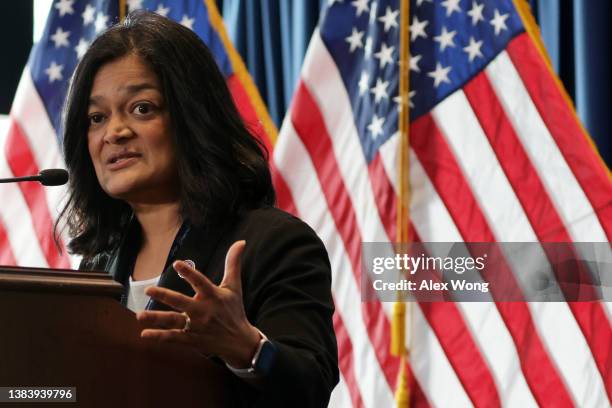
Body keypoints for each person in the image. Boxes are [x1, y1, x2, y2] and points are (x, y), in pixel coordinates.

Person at [56, 10, 338, 407]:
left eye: (141, 108)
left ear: (193, 116)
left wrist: (246, 348)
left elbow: (310, 387)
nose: (114, 132)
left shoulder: (274, 243)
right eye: (96, 117)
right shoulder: (98, 265)